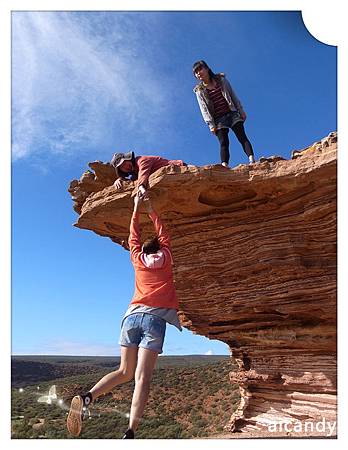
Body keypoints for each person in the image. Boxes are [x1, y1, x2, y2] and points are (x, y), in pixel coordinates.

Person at [67, 194, 182, 439]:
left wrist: (137, 208)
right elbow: (163, 234)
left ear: (144, 251)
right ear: (161, 250)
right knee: (141, 379)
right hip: (154, 321)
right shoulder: (168, 258)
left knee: (124, 372)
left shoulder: (137, 259)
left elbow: (134, 236)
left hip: (130, 318)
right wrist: (152, 209)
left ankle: (88, 396)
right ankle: (130, 431)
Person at [193, 60, 256, 166]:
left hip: (232, 113)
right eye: (196, 72)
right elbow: (204, 109)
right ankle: (224, 165)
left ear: (207, 68)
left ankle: (252, 160)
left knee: (242, 136)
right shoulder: (199, 90)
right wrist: (211, 125)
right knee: (224, 143)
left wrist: (241, 110)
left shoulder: (221, 80)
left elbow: (232, 95)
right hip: (218, 119)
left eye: (200, 69)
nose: (198, 73)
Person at [110, 151, 185, 198]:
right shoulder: (135, 171)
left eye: (124, 163)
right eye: (122, 167)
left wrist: (141, 187)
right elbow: (133, 178)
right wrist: (120, 179)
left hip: (179, 169)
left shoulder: (142, 160)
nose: (125, 167)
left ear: (128, 159)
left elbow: (143, 172)